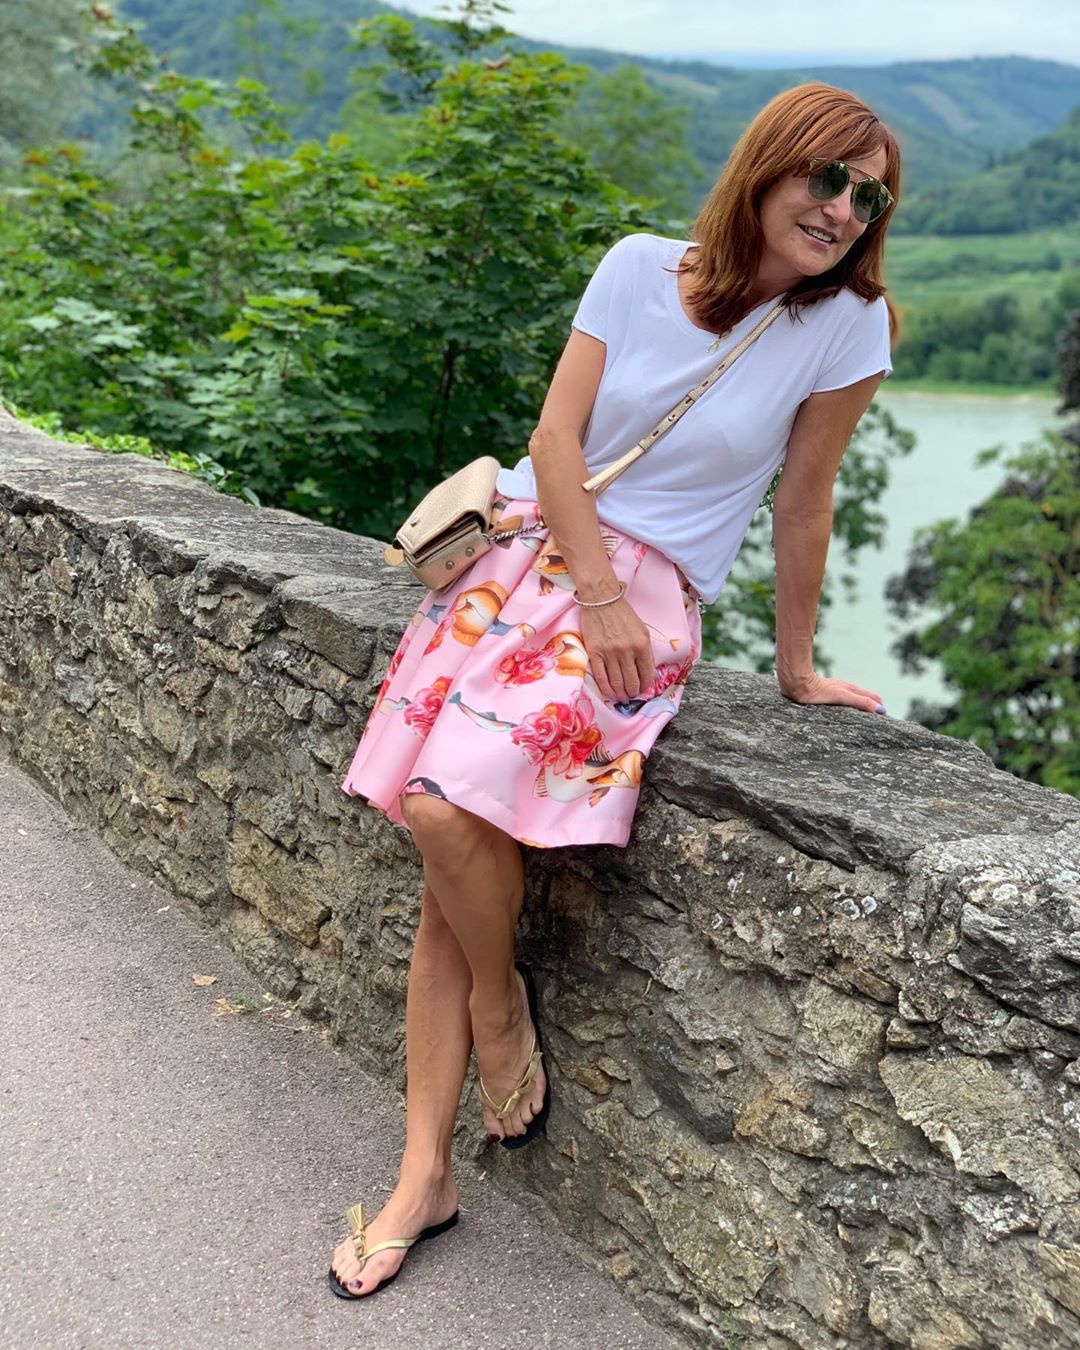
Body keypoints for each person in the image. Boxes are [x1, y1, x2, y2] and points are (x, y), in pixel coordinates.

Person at [328, 80, 900, 1300]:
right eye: (827, 180)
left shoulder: (847, 325)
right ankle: (427, 1168)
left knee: (442, 815)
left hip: (648, 603)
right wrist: (591, 590)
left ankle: (490, 1024)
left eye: (869, 197)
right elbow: (555, 438)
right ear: (768, 168)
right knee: (445, 843)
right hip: (528, 570)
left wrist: (795, 666)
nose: (845, 211)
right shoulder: (641, 267)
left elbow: (805, 498)